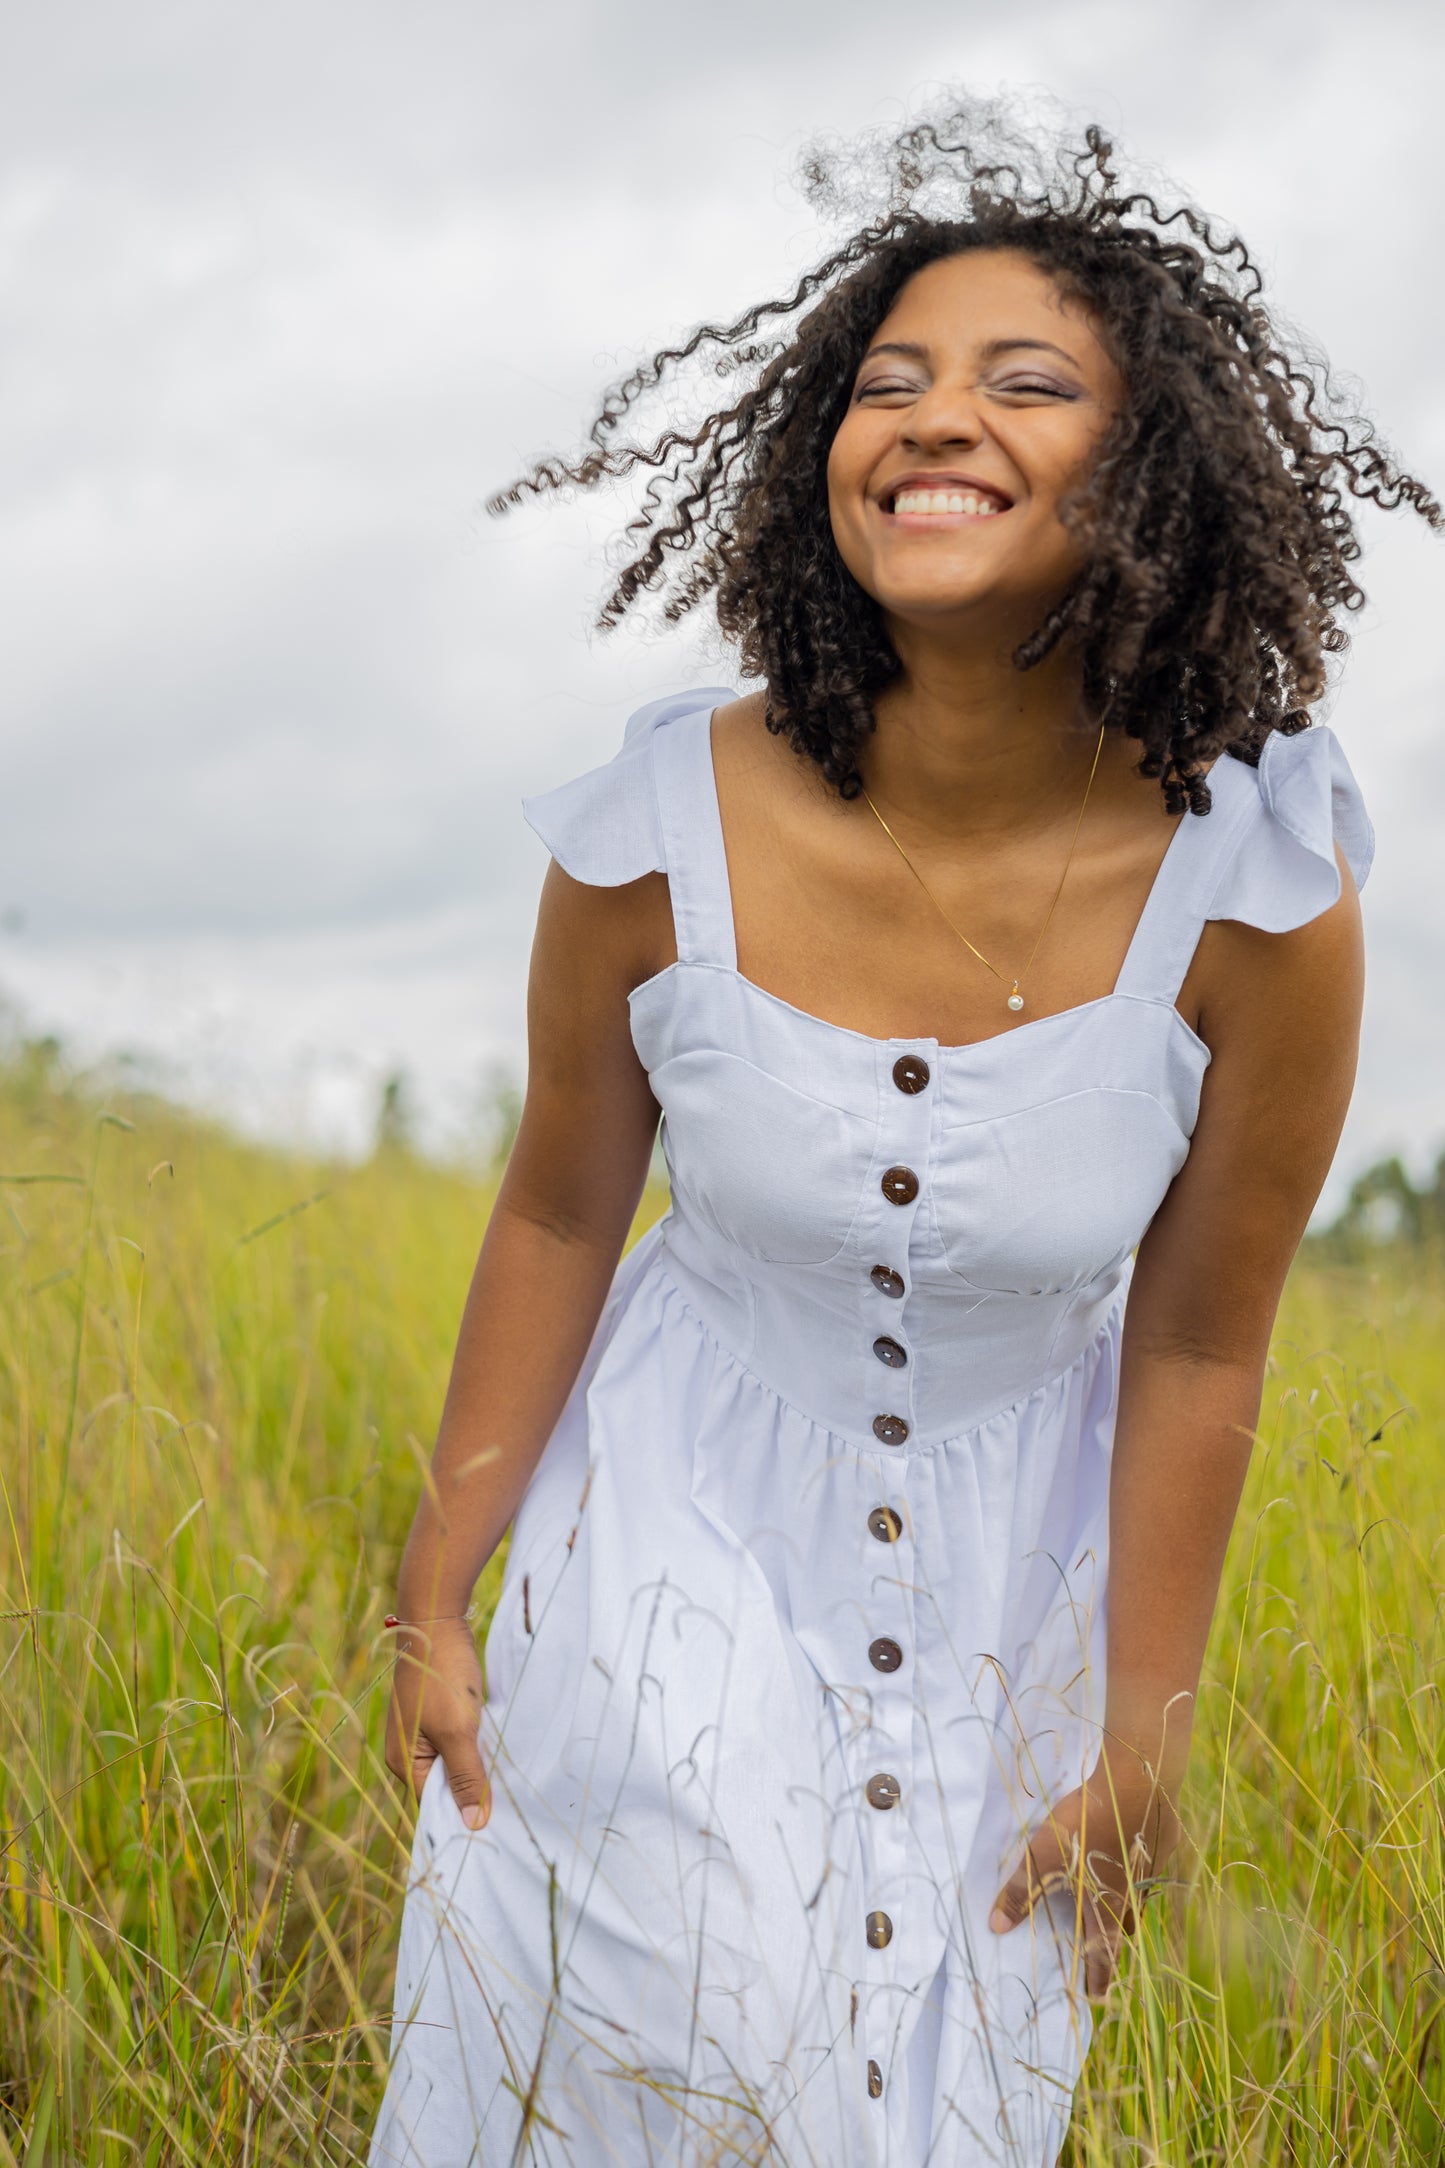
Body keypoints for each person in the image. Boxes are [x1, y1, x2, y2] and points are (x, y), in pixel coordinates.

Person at [368, 104, 1438, 2167]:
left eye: (1027, 385)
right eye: (891, 383)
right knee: (653, 2043)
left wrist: (1146, 1726)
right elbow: (562, 1202)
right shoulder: (650, 829)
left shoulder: (1266, 894)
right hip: (662, 1535)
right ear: (819, 462)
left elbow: (1205, 1341)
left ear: (1152, 482)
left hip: (1001, 1583)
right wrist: (439, 1579)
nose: (937, 420)